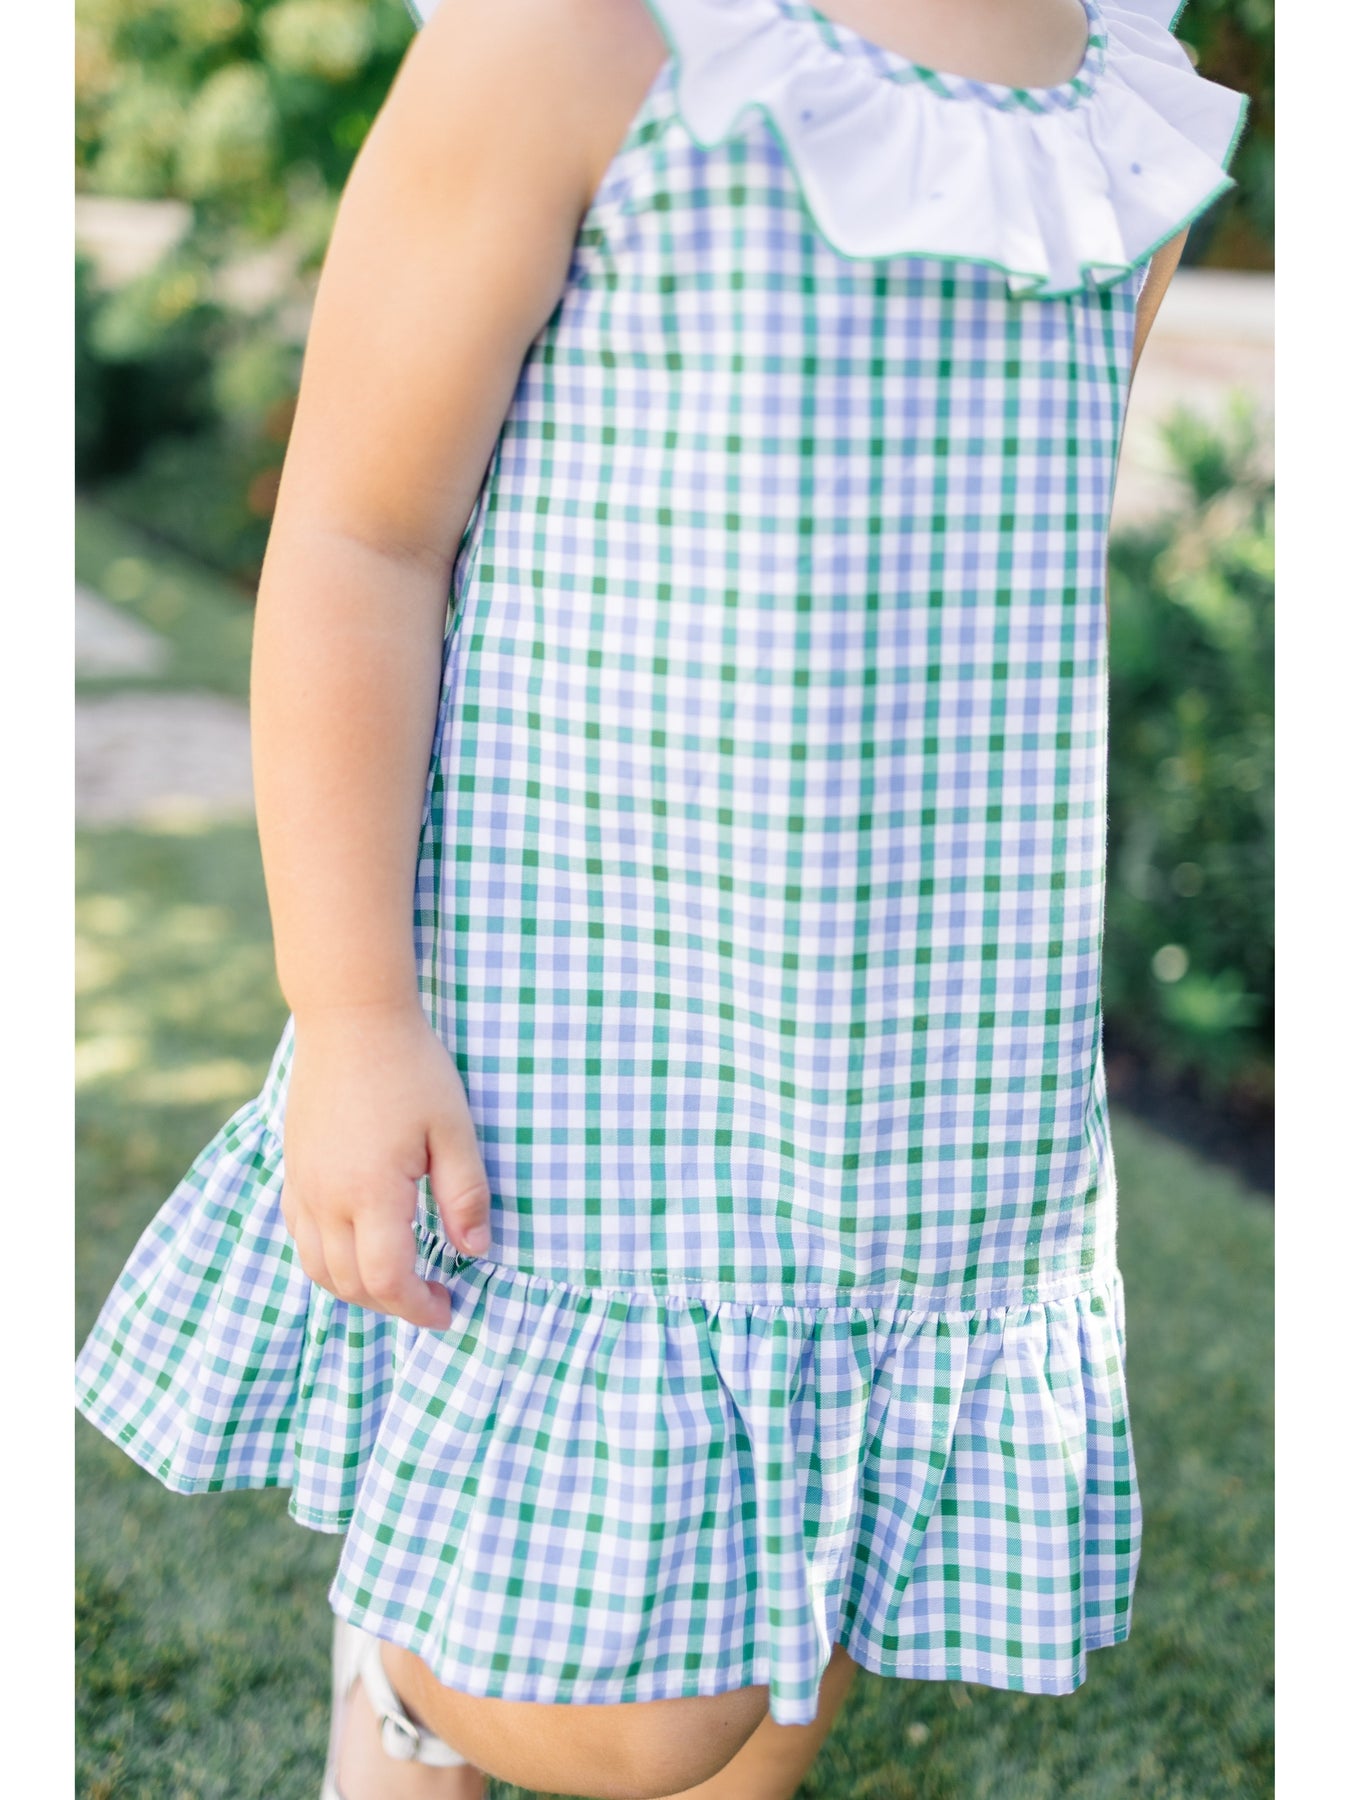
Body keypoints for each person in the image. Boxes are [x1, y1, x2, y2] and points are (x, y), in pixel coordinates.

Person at [74, 2, 1250, 1796]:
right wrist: (355, 1011)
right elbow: (361, 534)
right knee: (620, 1728)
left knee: (814, 1611)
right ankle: (399, 1704)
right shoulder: (585, 34)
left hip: (935, 1025)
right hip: (604, 993)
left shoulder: (1114, 90)